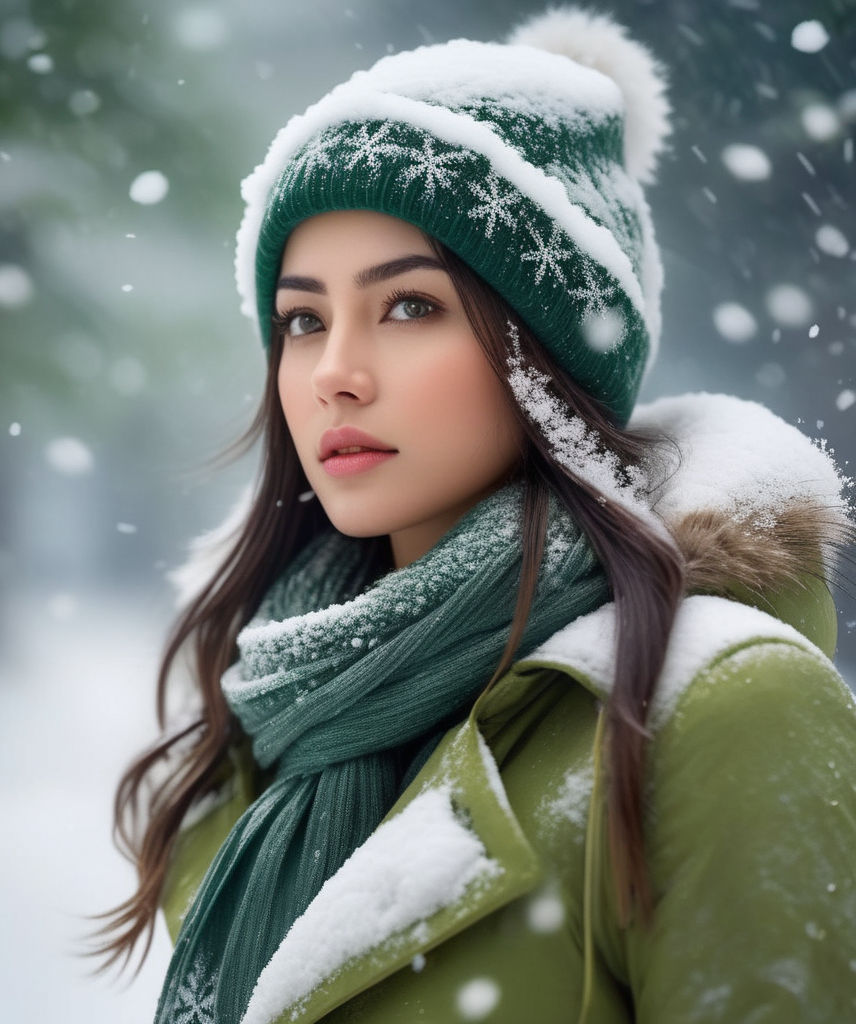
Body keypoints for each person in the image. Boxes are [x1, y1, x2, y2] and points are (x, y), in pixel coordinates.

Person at [92, 9, 856, 1023]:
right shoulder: (285, 717)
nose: (335, 375)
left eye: (411, 306)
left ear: (546, 353)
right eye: (301, 320)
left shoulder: (718, 708)